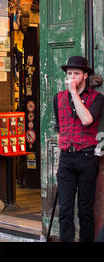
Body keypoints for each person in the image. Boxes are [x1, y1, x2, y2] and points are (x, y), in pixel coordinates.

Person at [53, 56, 104, 242]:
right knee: (65, 210)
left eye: (76, 74)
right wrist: (60, 161)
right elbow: (60, 130)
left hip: (87, 158)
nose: (71, 77)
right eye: (69, 74)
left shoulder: (97, 99)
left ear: (85, 76)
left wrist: (74, 93)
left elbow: (86, 120)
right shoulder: (57, 98)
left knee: (85, 210)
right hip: (67, 158)